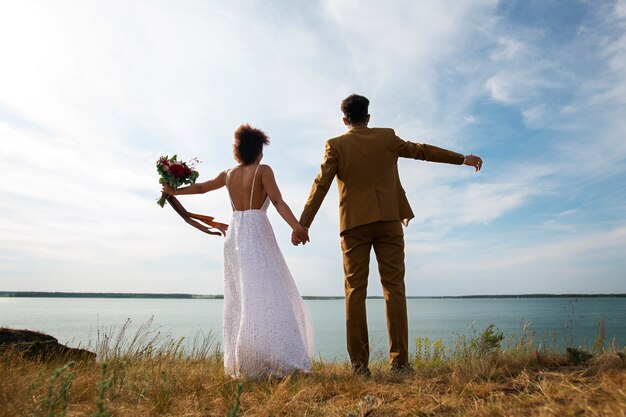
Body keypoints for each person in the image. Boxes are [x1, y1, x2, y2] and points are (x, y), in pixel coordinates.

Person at [294, 94, 483, 376]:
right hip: (389, 220)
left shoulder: (336, 145)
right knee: (394, 289)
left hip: (354, 225)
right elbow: (421, 151)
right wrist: (461, 159)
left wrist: (303, 223)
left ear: (344, 120)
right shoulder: (387, 137)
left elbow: (321, 184)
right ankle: (400, 363)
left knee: (355, 293)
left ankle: (359, 366)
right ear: (368, 117)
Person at [163, 124, 314, 379]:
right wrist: (297, 226)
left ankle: (246, 359)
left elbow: (201, 188)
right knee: (269, 291)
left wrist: (173, 191)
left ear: (237, 151)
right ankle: (272, 354)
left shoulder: (228, 173)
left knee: (241, 295)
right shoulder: (263, 170)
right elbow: (277, 202)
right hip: (257, 229)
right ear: (258, 152)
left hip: (236, 233)